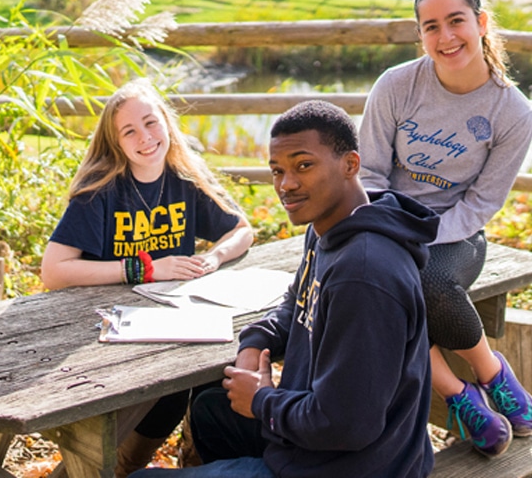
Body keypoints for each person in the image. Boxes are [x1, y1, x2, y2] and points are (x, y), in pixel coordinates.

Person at [135, 100, 439, 478]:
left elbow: (348, 426)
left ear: (350, 164)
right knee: (212, 408)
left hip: (356, 466)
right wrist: (256, 342)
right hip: (325, 446)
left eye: (304, 166)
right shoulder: (328, 227)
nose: (286, 184)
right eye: (277, 170)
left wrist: (262, 401)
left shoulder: (362, 275)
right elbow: (294, 305)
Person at [40, 79, 254, 475]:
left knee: (213, 377)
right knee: (165, 395)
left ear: (168, 125)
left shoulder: (182, 180)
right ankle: (121, 467)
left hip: (171, 322)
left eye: (151, 123)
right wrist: (144, 270)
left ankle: (196, 462)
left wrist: (213, 257)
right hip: (105, 332)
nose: (145, 138)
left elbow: (242, 229)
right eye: (129, 131)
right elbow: (53, 270)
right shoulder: (101, 191)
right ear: (115, 142)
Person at [358, 0, 532, 458]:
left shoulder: (512, 112)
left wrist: (422, 237)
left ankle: (492, 375)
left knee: (428, 283)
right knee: (375, 289)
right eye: (431, 27)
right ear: (421, 36)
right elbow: (369, 174)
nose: (446, 36)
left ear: (480, 23)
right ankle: (461, 398)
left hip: (456, 233)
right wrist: (392, 231)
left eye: (456, 21)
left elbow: (481, 204)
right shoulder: (395, 86)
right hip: (387, 223)